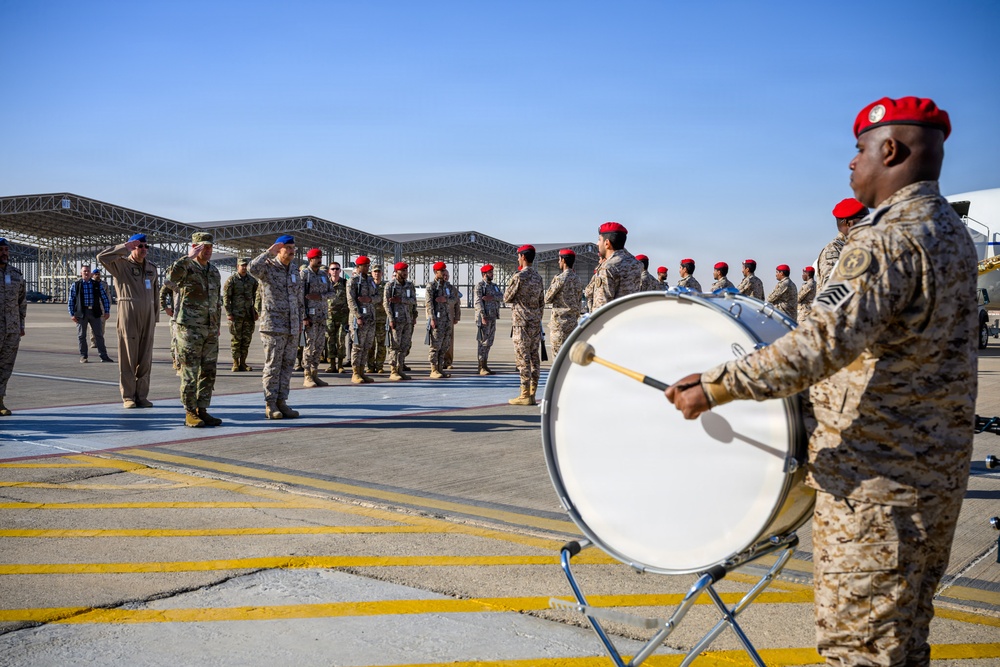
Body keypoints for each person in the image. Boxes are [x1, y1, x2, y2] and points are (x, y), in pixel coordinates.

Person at [665, 96, 974, 667]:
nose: (851, 165)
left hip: (875, 490)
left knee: (858, 650)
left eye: (859, 151)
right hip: (929, 479)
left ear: (891, 150)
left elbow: (820, 342)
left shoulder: (887, 239)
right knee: (900, 643)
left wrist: (715, 385)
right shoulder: (949, 229)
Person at [98, 233, 159, 409]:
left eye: (146, 246)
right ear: (133, 247)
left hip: (148, 317)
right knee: (128, 357)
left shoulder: (152, 269)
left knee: (145, 358)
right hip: (129, 314)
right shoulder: (121, 265)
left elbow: (155, 293)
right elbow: (101, 257)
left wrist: (155, 317)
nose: (144, 249)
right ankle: (128, 396)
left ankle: (142, 396)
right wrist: (124, 247)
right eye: (140, 246)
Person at [168, 232, 223, 428]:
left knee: (209, 371)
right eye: (203, 247)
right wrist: (188, 258)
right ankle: (190, 411)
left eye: (209, 247)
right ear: (194, 246)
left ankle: (202, 409)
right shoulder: (186, 268)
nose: (207, 251)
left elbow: (218, 301)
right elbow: (170, 279)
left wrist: (216, 325)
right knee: (190, 371)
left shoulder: (214, 271)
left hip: (209, 328)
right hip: (189, 329)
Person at [249, 234, 303, 419]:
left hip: (292, 326)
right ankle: (270, 404)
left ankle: (282, 401)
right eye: (288, 248)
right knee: (273, 366)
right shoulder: (268, 267)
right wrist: (268, 252)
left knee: (287, 366)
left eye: (293, 248)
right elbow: (252, 269)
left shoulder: (295, 270)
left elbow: (299, 299)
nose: (292, 251)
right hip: (273, 325)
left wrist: (300, 321)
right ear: (279, 249)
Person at [504, 244, 545, 405]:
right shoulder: (538, 278)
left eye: (519, 256)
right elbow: (542, 302)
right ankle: (533, 393)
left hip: (521, 323)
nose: (518, 258)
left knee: (523, 359)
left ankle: (524, 394)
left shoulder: (518, 277)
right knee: (534, 357)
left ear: (523, 257)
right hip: (535, 323)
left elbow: (507, 297)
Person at [818, 197, 870, 291]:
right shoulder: (834, 249)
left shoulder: (858, 246)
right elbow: (832, 287)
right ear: (849, 223)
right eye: (865, 218)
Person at [299, 248, 332, 388]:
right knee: (309, 346)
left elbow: (332, 293)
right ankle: (307, 375)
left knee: (319, 346)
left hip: (322, 316)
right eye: (317, 257)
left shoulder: (324, 275)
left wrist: (320, 297)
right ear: (310, 259)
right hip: (310, 317)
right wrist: (304, 316)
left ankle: (315, 373)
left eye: (320, 257)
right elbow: (299, 298)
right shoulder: (304, 275)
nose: (319, 260)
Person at [0, 238, 26, 416]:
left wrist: (21, 325)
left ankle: (0, 399)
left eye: (6, 251)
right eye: (1, 250)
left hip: (12, 329)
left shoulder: (16, 274)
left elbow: (22, 302)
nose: (4, 253)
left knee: (5, 366)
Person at [68, 264, 113, 363]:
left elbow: (105, 298)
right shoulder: (76, 285)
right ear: (81, 273)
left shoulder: (97, 285)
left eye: (88, 271)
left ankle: (104, 356)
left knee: (99, 335)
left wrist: (107, 311)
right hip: (81, 313)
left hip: (95, 312)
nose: (86, 273)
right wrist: (72, 314)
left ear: (91, 273)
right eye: (84, 271)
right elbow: (71, 300)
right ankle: (83, 356)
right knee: (81, 335)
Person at [592, 222, 642, 310]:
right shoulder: (636, 264)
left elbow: (601, 308)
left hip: (613, 322)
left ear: (607, 243)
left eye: (599, 240)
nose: (597, 244)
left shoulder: (607, 267)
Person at [544, 249, 583, 355]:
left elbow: (547, 298)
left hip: (560, 325)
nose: (558, 262)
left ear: (563, 260)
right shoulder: (578, 279)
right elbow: (579, 300)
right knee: (569, 358)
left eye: (559, 259)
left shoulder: (560, 279)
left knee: (558, 358)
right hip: (572, 324)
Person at [223, 258, 259, 372]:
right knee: (236, 339)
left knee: (246, 340)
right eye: (241, 265)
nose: (243, 267)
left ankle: (243, 362)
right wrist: (228, 312)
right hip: (236, 315)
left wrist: (256, 310)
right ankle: (235, 363)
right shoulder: (231, 280)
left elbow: (257, 296)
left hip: (248, 315)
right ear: (237, 266)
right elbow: (226, 297)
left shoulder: (252, 281)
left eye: (245, 265)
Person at [383, 262, 416, 381]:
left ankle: (400, 369)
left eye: (406, 271)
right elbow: (386, 303)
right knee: (394, 346)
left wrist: (401, 300)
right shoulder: (390, 285)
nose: (405, 273)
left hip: (407, 320)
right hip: (396, 321)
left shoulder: (409, 285)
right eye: (402, 271)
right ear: (396, 272)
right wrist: (391, 319)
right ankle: (393, 371)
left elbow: (413, 300)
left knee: (404, 345)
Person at [347, 256, 378, 384]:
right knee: (358, 346)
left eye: (367, 266)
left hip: (370, 318)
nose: (366, 268)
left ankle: (362, 371)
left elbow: (378, 297)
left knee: (367, 346)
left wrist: (370, 300)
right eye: (364, 266)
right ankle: (355, 373)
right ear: (358, 267)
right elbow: (351, 300)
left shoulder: (370, 280)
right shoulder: (353, 281)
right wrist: (358, 316)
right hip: (359, 319)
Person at [425, 261, 454, 379]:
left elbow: (454, 299)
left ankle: (440, 368)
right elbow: (429, 304)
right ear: (435, 273)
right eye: (441, 271)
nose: (443, 273)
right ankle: (433, 369)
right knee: (435, 345)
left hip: (447, 319)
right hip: (437, 320)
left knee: (444, 345)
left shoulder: (447, 286)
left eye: (444, 270)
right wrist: (432, 318)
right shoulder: (431, 286)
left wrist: (445, 300)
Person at [474, 264, 503, 375]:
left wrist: (492, 297)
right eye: (490, 272)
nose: (492, 274)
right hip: (484, 318)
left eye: (492, 272)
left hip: (492, 317)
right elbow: (478, 302)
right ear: (484, 274)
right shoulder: (480, 286)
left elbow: (501, 297)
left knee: (489, 342)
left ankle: (485, 365)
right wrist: (482, 316)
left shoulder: (494, 286)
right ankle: (481, 366)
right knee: (482, 342)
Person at [324, 262, 349, 373]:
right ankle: (332, 364)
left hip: (342, 316)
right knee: (330, 340)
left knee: (341, 340)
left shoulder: (345, 283)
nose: (335, 271)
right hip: (329, 316)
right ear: (329, 271)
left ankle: (340, 365)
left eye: (337, 269)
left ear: (340, 271)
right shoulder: (325, 283)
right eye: (332, 269)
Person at [365, 265, 389, 374]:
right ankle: (370, 365)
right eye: (375, 272)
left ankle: (379, 365)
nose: (377, 274)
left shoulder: (385, 286)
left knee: (381, 344)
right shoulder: (368, 285)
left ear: (382, 273)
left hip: (382, 318)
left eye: (379, 272)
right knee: (370, 344)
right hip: (370, 318)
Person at [441, 268, 461, 370]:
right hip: (438, 318)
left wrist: (457, 316)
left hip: (449, 318)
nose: (445, 277)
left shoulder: (452, 288)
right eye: (444, 275)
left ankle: (448, 362)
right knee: (438, 341)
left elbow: (457, 302)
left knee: (449, 341)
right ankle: (438, 362)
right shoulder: (434, 287)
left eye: (447, 275)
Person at [160, 279, 180, 375]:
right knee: (176, 341)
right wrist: (165, 308)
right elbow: (162, 293)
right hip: (177, 316)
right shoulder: (174, 278)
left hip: (194, 317)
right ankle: (176, 361)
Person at [88, 269, 109, 350]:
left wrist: (108, 306)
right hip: (93, 307)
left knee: (102, 326)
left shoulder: (104, 284)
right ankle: (93, 342)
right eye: (96, 274)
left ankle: (100, 341)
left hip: (102, 307)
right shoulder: (90, 283)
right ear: (93, 275)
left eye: (98, 274)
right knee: (92, 326)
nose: (97, 275)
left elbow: (107, 295)